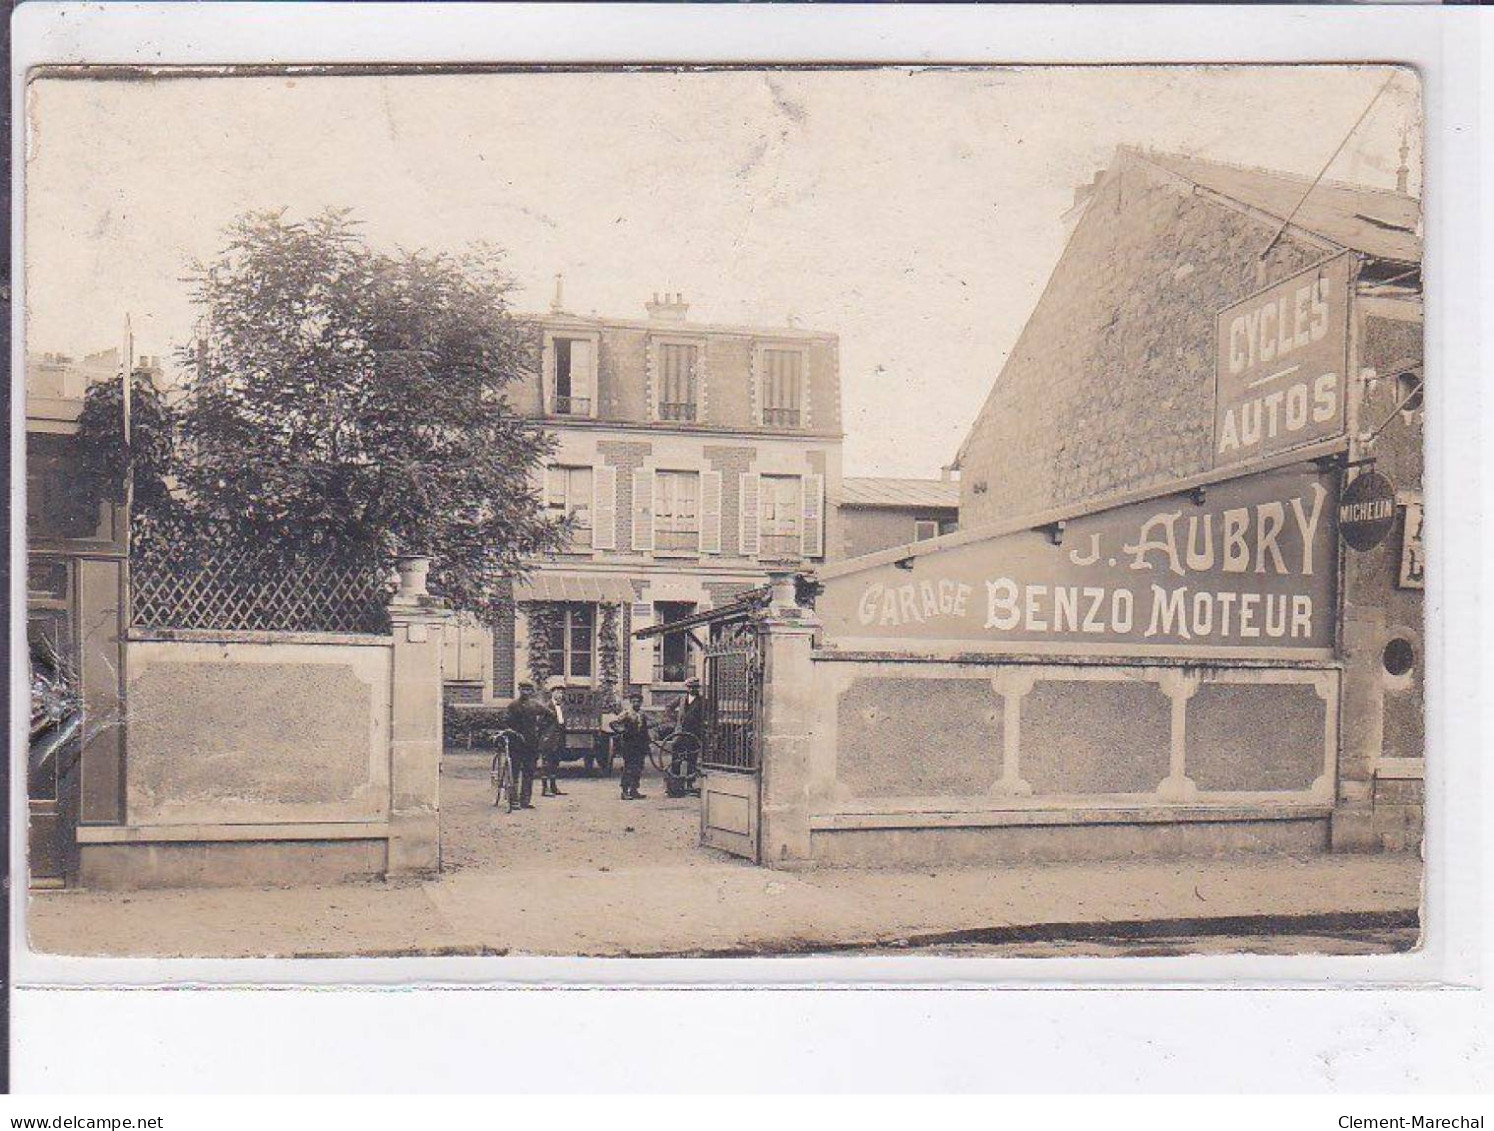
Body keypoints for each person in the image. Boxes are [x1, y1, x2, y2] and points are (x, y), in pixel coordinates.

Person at [501, 681, 543, 810]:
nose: (526, 692)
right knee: (514, 773)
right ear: (519, 689)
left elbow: (550, 715)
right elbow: (506, 722)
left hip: (531, 745)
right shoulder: (513, 706)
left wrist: (541, 731)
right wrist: (512, 732)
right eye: (523, 689)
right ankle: (514, 801)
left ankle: (525, 800)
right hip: (516, 744)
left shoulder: (535, 705)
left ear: (532, 692)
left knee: (529, 772)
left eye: (529, 690)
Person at [666, 677, 706, 796]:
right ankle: (675, 785)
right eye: (690, 687)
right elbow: (668, 708)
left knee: (691, 759)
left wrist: (703, 724)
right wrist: (676, 720)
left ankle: (689, 784)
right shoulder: (681, 698)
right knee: (676, 758)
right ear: (687, 688)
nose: (692, 689)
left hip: (694, 734)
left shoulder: (702, 700)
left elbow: (709, 714)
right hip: (680, 733)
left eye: (695, 687)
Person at [608, 693, 651, 801]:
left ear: (641, 703)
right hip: (629, 745)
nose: (636, 703)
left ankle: (634, 790)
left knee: (638, 768)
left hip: (641, 745)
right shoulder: (626, 713)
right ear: (631, 702)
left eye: (638, 701)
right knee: (629, 768)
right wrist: (622, 731)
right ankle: (624, 791)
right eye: (634, 701)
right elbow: (613, 723)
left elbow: (648, 726)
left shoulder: (642, 714)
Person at [538, 685, 568, 797]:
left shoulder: (563, 707)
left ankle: (554, 787)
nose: (560, 695)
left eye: (561, 693)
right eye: (557, 692)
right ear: (552, 693)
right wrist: (545, 736)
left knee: (555, 762)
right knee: (546, 763)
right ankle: (545, 789)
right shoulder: (547, 706)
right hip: (548, 738)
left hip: (559, 738)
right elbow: (540, 723)